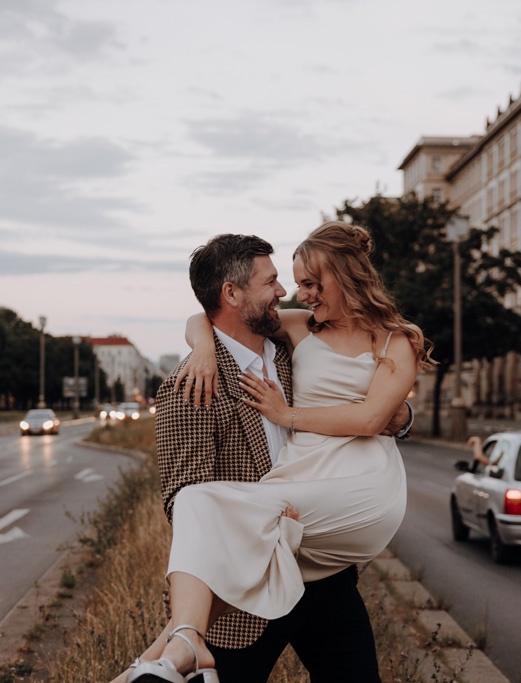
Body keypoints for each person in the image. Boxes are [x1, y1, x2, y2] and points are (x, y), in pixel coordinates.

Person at [118, 224, 431, 683]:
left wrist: (399, 417)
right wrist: (202, 346)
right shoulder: (193, 386)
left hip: (325, 572)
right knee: (193, 503)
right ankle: (171, 651)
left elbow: (363, 410)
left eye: (303, 282)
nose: (288, 292)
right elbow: (181, 500)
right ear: (232, 293)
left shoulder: (284, 350)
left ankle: (164, 652)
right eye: (274, 283)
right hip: (253, 587)